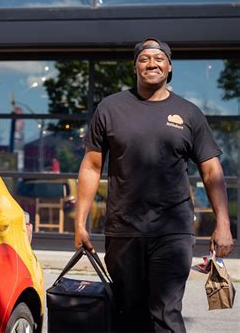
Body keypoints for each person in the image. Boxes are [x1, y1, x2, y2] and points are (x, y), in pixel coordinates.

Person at [74, 37, 234, 332]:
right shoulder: (110, 108)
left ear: (169, 67)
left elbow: (212, 171)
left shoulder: (189, 113)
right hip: (124, 228)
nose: (152, 63)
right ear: (135, 66)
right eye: (145, 58)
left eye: (159, 58)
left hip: (173, 229)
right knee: (128, 313)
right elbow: (91, 166)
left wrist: (223, 223)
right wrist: (80, 222)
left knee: (165, 314)